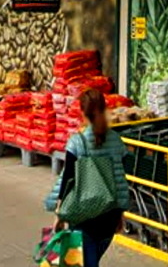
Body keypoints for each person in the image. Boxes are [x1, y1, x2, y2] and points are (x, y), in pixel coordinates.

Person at [43, 89, 130, 267]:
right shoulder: (117, 141)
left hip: (85, 217)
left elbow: (68, 179)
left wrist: (59, 215)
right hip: (109, 218)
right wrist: (120, 212)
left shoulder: (77, 142)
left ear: (82, 113)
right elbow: (120, 178)